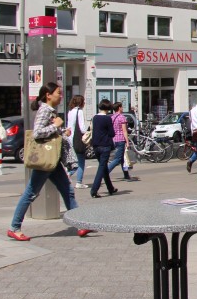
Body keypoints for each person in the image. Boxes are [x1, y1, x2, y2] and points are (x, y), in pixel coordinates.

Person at [8, 82, 91, 240]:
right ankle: (14, 227)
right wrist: (56, 127)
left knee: (67, 190)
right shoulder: (45, 110)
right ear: (48, 95)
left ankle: (80, 225)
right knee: (31, 193)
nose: (60, 96)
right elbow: (37, 133)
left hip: (52, 159)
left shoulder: (50, 111)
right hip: (46, 160)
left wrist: (61, 131)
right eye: (58, 93)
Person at [89, 99, 118, 198]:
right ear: (108, 108)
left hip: (96, 145)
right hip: (105, 145)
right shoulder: (107, 119)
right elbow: (112, 133)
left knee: (104, 167)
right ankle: (94, 190)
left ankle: (110, 188)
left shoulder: (95, 118)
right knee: (101, 168)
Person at [66, 96, 89, 189]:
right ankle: (78, 181)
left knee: (73, 160)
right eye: (84, 101)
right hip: (78, 139)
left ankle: (68, 174)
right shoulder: (79, 112)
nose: (84, 103)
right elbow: (82, 128)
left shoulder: (70, 111)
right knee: (81, 162)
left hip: (70, 139)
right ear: (81, 102)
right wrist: (88, 131)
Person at [107, 101, 133, 181]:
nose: (122, 108)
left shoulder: (111, 117)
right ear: (119, 108)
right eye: (121, 107)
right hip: (121, 139)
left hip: (113, 139)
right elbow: (124, 131)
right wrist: (127, 142)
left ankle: (126, 174)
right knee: (118, 159)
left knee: (122, 158)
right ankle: (105, 172)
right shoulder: (122, 117)